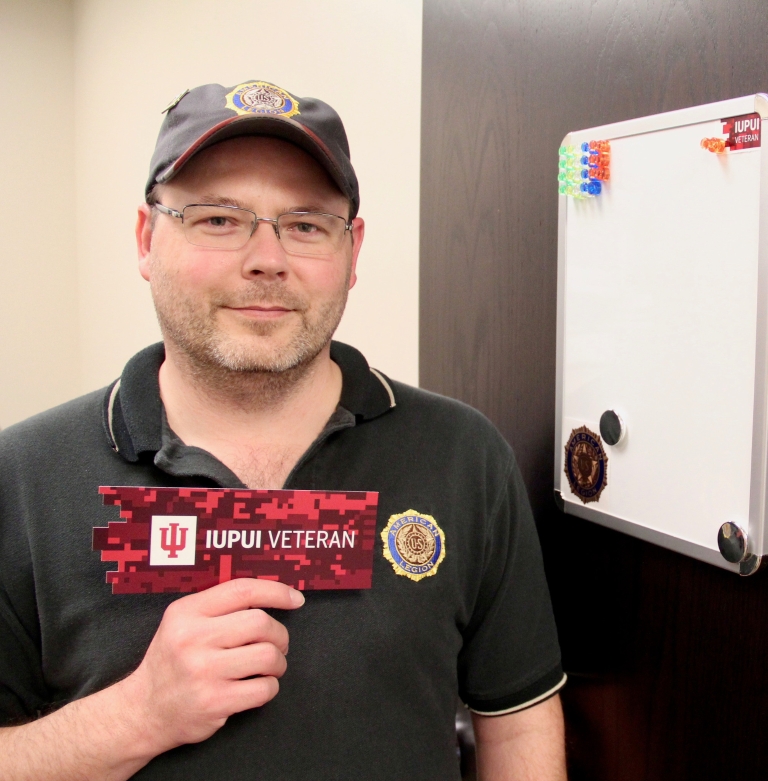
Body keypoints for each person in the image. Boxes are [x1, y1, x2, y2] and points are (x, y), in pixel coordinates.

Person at [0, 79, 567, 780]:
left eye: (304, 224)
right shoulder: (21, 478)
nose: (267, 259)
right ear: (148, 239)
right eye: (218, 219)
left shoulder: (464, 457)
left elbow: (517, 723)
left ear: (352, 251)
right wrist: (135, 715)